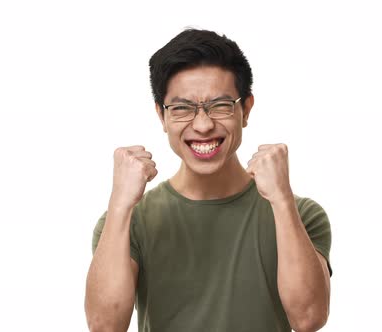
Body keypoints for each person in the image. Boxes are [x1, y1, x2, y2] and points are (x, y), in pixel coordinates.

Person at [84, 28, 332, 332]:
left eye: (220, 105)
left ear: (246, 110)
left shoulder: (301, 215)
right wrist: (120, 204)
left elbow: (308, 318)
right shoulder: (128, 221)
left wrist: (281, 200)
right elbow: (105, 326)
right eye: (182, 108)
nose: (203, 125)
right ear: (161, 116)